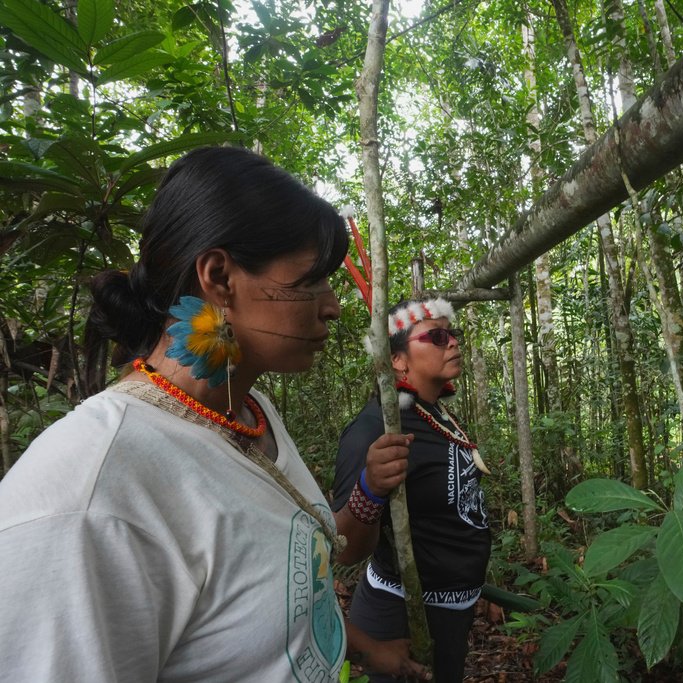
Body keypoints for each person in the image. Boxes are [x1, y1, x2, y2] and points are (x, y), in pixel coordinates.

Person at [0, 146, 429, 682]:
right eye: (311, 280)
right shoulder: (90, 496)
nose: (333, 305)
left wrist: (364, 648)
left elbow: (277, 601)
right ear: (220, 277)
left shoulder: (249, 411)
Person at [333, 298, 492, 683]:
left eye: (451, 334)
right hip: (402, 616)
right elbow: (345, 549)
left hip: (453, 612)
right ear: (398, 360)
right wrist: (370, 490)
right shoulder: (375, 430)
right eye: (436, 336)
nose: (452, 342)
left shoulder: (434, 411)